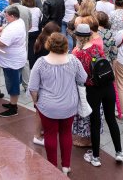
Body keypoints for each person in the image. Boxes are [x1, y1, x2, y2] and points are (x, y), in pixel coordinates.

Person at [29, 32, 87, 176]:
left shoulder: (41, 62)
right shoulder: (73, 60)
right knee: (66, 133)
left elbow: (33, 87)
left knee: (50, 134)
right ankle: (66, 166)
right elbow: (83, 78)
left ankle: (52, 166)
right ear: (66, 45)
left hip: (48, 106)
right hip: (69, 104)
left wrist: (36, 100)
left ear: (49, 44)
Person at [73, 22, 123, 167]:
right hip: (107, 86)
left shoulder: (76, 53)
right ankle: (119, 152)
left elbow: (80, 76)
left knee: (95, 123)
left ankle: (95, 157)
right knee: (111, 120)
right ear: (89, 35)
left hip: (92, 90)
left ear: (77, 36)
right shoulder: (97, 47)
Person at [0, 5, 28, 118]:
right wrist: (1, 30)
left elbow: (2, 43)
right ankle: (12, 103)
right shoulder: (19, 22)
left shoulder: (13, 28)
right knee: (12, 81)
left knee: (12, 83)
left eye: (7, 17)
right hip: (14, 58)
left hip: (12, 61)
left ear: (12, 16)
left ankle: (14, 107)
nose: (5, 19)